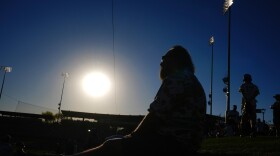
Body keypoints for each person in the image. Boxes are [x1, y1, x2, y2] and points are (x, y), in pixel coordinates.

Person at [65, 45, 206, 156]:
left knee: (111, 145)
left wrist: (132, 137)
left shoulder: (177, 78)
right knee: (114, 139)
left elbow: (154, 117)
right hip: (186, 144)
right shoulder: (192, 80)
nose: (162, 57)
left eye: (167, 55)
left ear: (177, 60)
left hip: (174, 145)